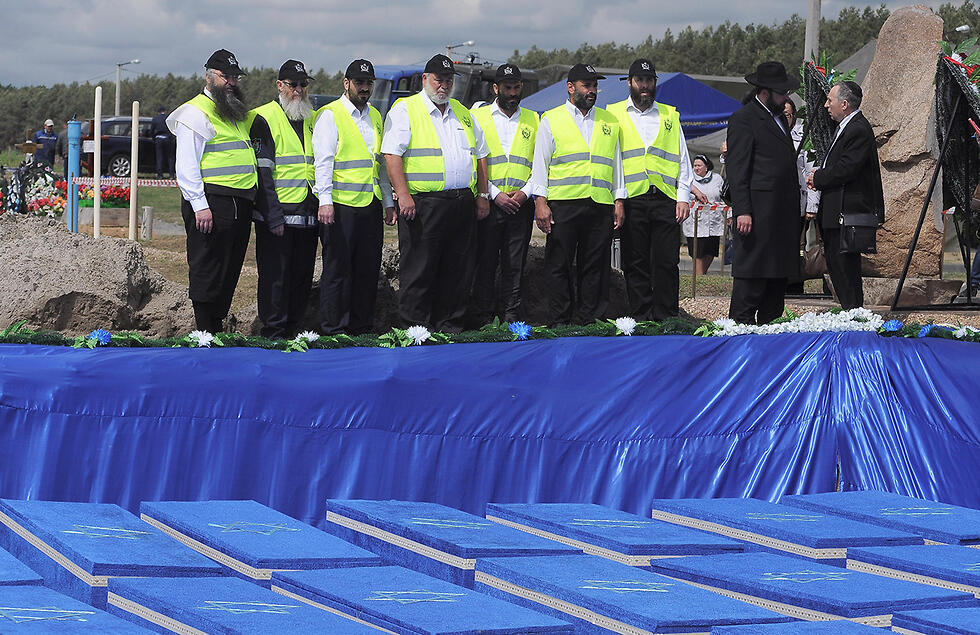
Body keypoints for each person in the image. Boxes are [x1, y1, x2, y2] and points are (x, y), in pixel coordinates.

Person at [382, 54, 491, 333]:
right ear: (425, 80)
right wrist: (403, 194)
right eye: (438, 79)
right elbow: (392, 155)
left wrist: (482, 195)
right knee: (419, 270)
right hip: (424, 204)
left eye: (448, 80)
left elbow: (480, 156)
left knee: (458, 270)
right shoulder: (405, 109)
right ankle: (415, 329)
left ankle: (450, 327)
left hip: (460, 203)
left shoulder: (462, 112)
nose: (443, 85)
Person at [168, 49, 257, 333]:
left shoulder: (233, 111)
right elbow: (186, 164)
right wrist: (199, 204)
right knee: (208, 266)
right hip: (211, 202)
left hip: (239, 201)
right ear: (208, 77)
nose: (231, 82)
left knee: (230, 268)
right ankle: (205, 330)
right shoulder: (195, 112)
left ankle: (217, 325)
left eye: (235, 77)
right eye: (225, 76)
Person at [531, 63, 625, 325]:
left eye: (595, 85)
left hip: (599, 204)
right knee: (559, 265)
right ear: (571, 87)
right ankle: (560, 320)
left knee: (595, 266)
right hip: (563, 204)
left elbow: (616, 163)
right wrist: (541, 202)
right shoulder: (551, 119)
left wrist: (619, 199)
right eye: (587, 85)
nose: (592, 90)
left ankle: (589, 320)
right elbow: (540, 164)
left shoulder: (609, 121)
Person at [314, 59, 396, 335]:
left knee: (367, 270)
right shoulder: (330, 115)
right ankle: (333, 330)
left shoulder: (374, 116)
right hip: (340, 206)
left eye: (368, 83)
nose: (364, 88)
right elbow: (323, 161)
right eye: (359, 83)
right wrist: (324, 200)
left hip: (369, 205)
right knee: (338, 272)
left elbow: (379, 165)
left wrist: (387, 201)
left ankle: (362, 327)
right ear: (346, 83)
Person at [248, 60, 320, 339]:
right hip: (277, 217)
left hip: (308, 214)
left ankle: (294, 331)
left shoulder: (312, 118)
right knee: (275, 279)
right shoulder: (263, 117)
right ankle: (273, 334)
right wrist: (272, 214)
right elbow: (263, 172)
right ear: (280, 85)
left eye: (303, 84)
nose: (299, 90)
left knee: (301, 278)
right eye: (293, 85)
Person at [726, 61, 801, 324]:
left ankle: (770, 333)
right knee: (751, 284)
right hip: (757, 215)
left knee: (775, 287)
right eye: (782, 93)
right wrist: (743, 210)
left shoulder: (780, 118)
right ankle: (740, 337)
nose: (786, 98)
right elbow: (738, 170)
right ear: (766, 92)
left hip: (780, 217)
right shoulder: (744, 119)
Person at [469, 63, 538, 326]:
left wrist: (525, 193)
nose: (512, 92)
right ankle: (484, 320)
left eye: (517, 87)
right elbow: (475, 160)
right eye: (507, 87)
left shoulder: (534, 119)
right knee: (485, 264)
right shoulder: (479, 118)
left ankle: (511, 319)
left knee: (514, 265)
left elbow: (540, 164)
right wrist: (494, 194)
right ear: (495, 88)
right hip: (489, 202)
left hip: (521, 204)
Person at [806, 81, 884, 309]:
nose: (826, 106)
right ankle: (848, 312)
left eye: (830, 101)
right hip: (835, 211)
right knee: (837, 267)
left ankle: (853, 315)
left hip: (847, 213)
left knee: (846, 269)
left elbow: (847, 168)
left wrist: (818, 179)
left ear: (845, 104)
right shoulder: (845, 127)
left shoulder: (858, 128)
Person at [684, 155, 724, 274]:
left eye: (699, 165)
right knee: (698, 253)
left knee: (710, 252)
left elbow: (723, 199)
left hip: (714, 222)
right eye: (695, 165)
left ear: (706, 167)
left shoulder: (717, 179)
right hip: (695, 223)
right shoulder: (688, 179)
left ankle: (701, 276)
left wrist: (729, 215)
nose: (696, 168)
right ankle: (699, 278)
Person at [151, 107, 175, 179]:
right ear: (165, 111)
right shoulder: (169, 118)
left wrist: (153, 138)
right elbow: (173, 129)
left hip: (159, 139)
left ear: (158, 112)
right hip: (167, 139)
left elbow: (152, 130)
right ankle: (171, 175)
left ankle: (160, 175)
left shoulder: (155, 118)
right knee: (170, 157)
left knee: (159, 157)